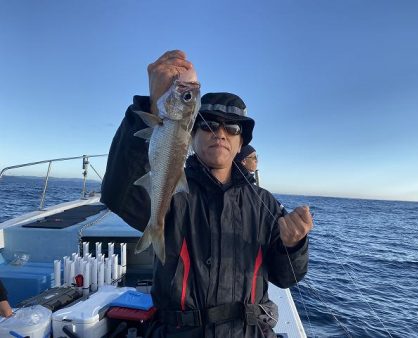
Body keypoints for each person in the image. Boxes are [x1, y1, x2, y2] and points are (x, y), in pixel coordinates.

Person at [101, 50, 312, 338]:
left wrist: (292, 246)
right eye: (209, 124)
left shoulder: (264, 203)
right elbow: (118, 193)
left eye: (232, 128)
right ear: (191, 134)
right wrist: (151, 107)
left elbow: (286, 276)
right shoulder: (175, 192)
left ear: (240, 144)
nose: (220, 133)